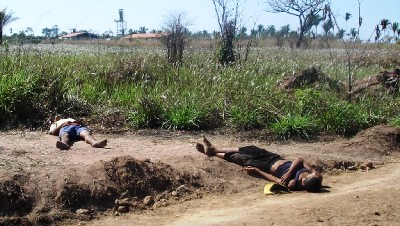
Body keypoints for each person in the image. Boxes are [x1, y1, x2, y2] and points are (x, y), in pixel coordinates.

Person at [195, 135, 323, 192]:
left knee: (239, 158)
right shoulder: (315, 175)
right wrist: (290, 172)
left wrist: (258, 172)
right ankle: (214, 149)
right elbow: (300, 159)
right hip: (274, 157)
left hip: (266, 166)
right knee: (251, 149)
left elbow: (275, 180)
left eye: (304, 181)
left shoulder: (293, 184)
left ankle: (212, 153)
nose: (303, 178)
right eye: (306, 177)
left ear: (304, 184)